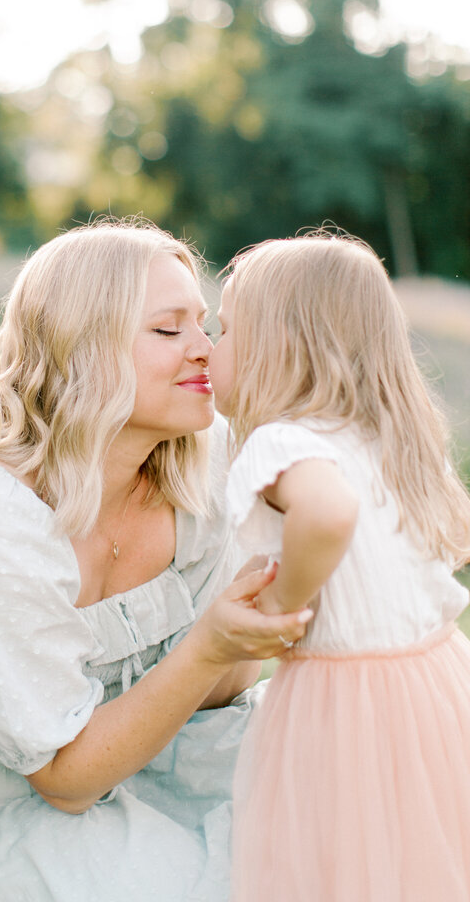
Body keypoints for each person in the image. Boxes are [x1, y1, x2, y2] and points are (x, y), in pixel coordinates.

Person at [0, 220, 312, 902]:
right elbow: (65, 780)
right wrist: (212, 645)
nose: (205, 351)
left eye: (204, 324)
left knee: (352, 801)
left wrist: (265, 616)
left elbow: (221, 688)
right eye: (169, 331)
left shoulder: (205, 452)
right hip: (27, 804)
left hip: (178, 757)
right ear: (83, 349)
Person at [207, 231, 470, 901]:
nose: (210, 347)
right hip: (436, 684)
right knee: (420, 862)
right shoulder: (387, 438)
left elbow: (325, 515)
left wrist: (283, 607)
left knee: (336, 866)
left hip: (345, 701)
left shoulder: (283, 444)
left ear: (281, 347)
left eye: (226, 329)